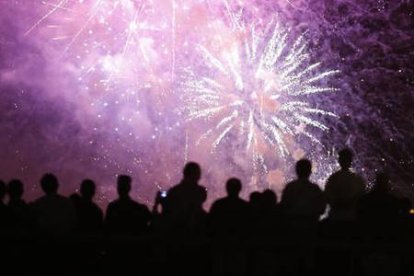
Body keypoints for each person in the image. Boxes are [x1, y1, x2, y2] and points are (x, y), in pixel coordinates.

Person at [281, 159, 326, 230]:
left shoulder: (290, 187)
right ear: (310, 171)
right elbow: (322, 209)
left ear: (296, 171)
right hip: (311, 226)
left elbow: (283, 206)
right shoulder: (315, 189)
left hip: (293, 226)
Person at [164, 162, 207, 233]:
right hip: (196, 232)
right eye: (198, 173)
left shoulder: (174, 191)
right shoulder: (200, 191)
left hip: (176, 231)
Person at [325, 148, 366, 221]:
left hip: (336, 217)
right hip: (350, 217)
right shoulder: (357, 180)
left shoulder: (333, 178)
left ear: (339, 160)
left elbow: (327, 197)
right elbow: (361, 199)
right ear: (351, 161)